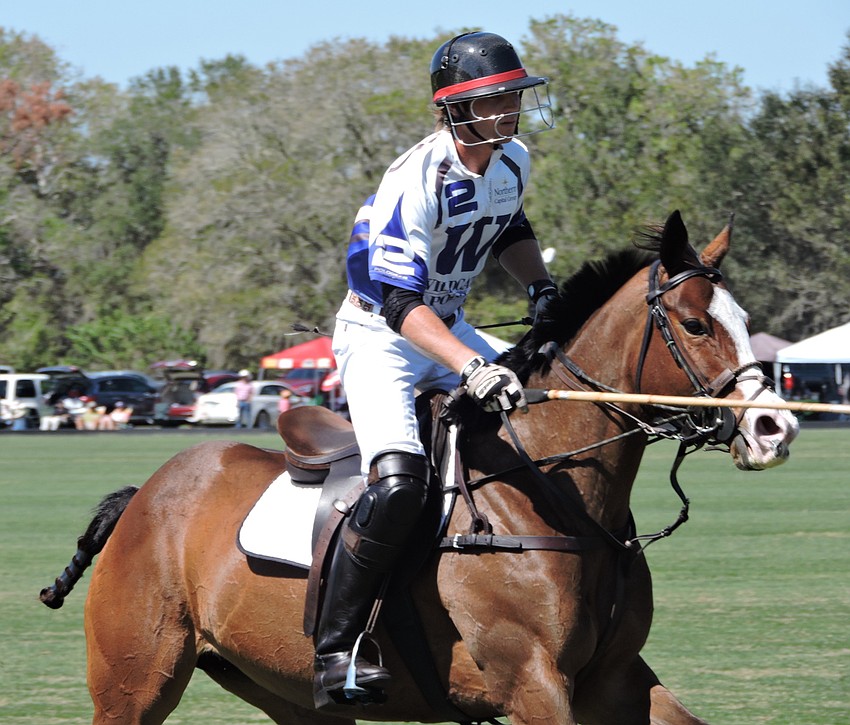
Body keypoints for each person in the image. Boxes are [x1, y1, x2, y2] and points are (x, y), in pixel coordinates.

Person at [314, 31, 557, 706]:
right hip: (382, 337)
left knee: (537, 425)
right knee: (397, 482)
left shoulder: (513, 161)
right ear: (452, 108)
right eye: (491, 98)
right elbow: (397, 301)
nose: (507, 107)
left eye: (512, 94)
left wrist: (540, 286)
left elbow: (508, 227)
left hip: (446, 328)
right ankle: (337, 649)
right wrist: (472, 363)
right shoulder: (413, 179)